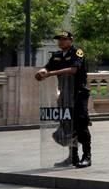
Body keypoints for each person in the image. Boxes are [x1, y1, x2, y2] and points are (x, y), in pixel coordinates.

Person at [35, 31, 92, 168]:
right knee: (67, 124)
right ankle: (73, 157)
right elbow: (47, 67)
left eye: (64, 39)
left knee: (80, 124)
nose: (60, 41)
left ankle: (86, 156)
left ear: (70, 40)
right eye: (59, 39)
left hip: (79, 93)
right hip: (65, 94)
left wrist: (50, 74)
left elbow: (73, 70)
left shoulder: (77, 52)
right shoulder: (56, 56)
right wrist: (42, 71)